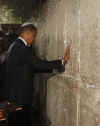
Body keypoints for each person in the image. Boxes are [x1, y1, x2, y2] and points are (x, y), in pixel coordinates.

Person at [3, 23, 70, 126]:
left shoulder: (16, 46)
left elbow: (31, 68)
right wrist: (61, 61)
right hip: (19, 97)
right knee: (20, 121)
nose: (34, 39)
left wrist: (53, 70)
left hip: (17, 96)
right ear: (27, 34)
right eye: (34, 36)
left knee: (19, 121)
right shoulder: (20, 47)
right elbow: (37, 63)